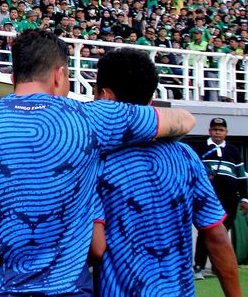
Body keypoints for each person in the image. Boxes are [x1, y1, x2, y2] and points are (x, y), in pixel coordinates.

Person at [0, 30, 196, 296]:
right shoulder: (93, 118)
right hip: (64, 289)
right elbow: (184, 120)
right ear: (59, 75)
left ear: (13, 76)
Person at [93, 48, 240, 296]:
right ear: (151, 100)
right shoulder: (186, 157)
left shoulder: (96, 159)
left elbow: (94, 247)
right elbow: (217, 238)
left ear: (105, 97)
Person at [190, 117, 248, 279]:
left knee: (223, 233)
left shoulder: (233, 150)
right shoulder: (200, 147)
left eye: (221, 130)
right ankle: (199, 267)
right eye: (215, 129)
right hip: (208, 197)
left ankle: (218, 266)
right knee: (206, 231)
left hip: (230, 198)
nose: (218, 132)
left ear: (226, 133)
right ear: (209, 131)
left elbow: (241, 176)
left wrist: (244, 198)